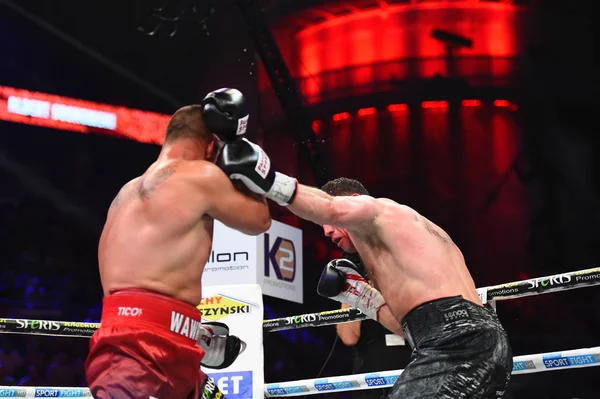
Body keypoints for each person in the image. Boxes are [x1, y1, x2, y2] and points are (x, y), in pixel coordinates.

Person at [217, 139, 513, 399]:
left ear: (353, 202)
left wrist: (267, 178)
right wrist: (359, 296)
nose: (329, 234)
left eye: (330, 227)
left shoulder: (378, 209)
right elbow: (408, 328)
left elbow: (330, 208)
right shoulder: (405, 245)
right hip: (473, 338)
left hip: (458, 340)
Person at [85, 88, 271, 399]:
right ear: (213, 145)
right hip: (138, 353)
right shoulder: (201, 174)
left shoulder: (125, 193)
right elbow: (258, 220)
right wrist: (248, 160)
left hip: (161, 345)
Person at [336, 253, 412, 399]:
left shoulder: (404, 287)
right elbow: (348, 338)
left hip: (408, 379)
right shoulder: (359, 293)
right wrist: (352, 291)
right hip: (370, 383)